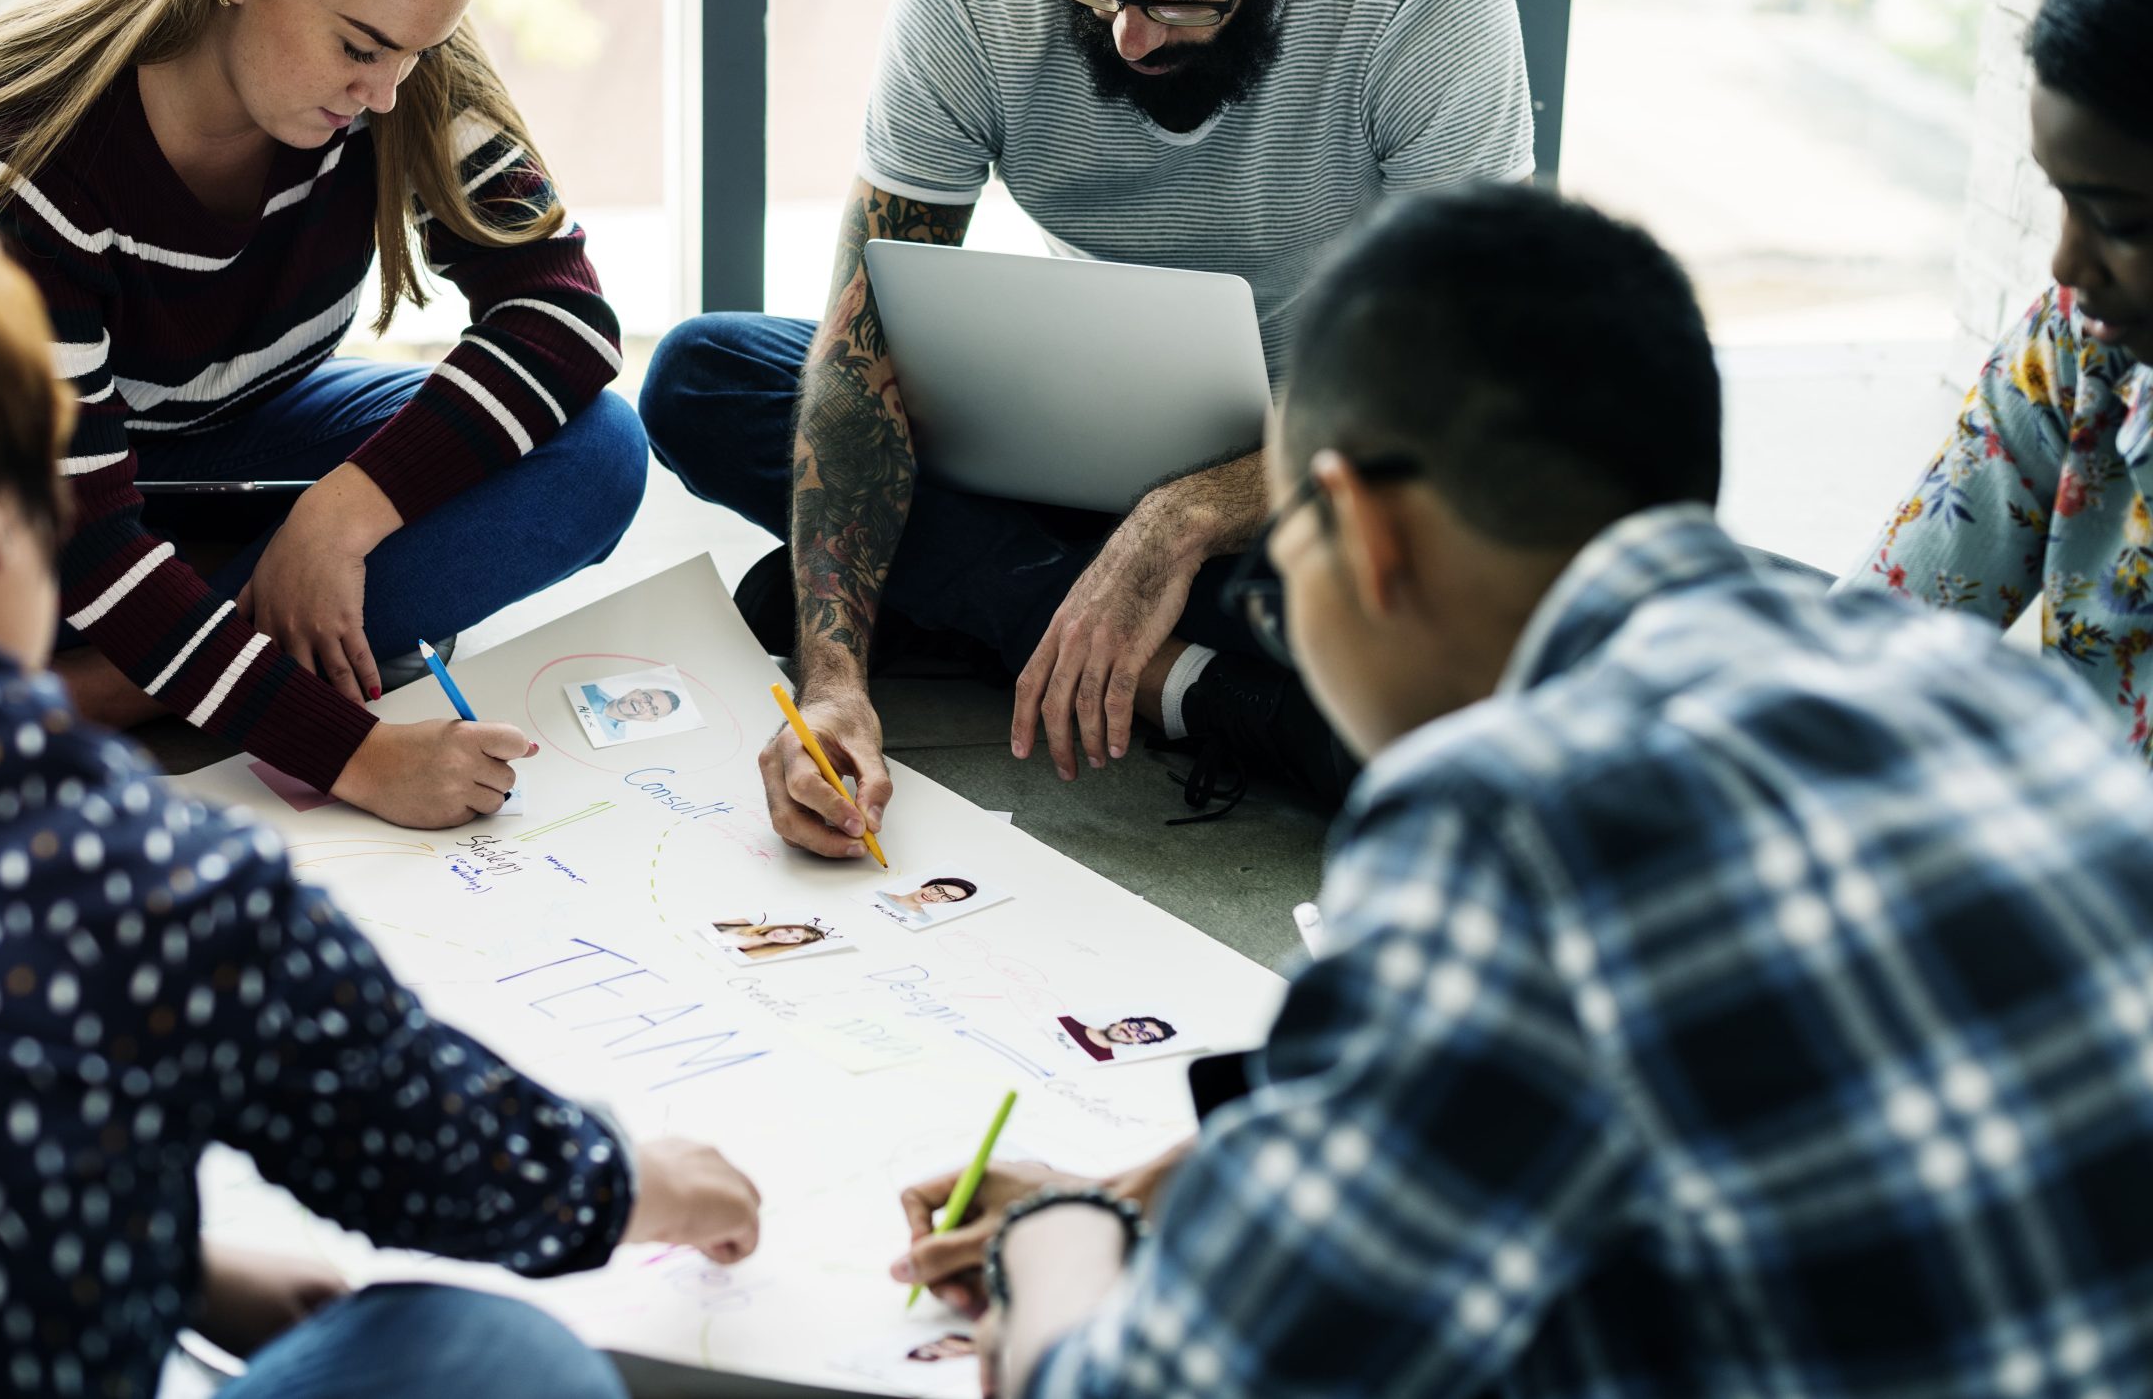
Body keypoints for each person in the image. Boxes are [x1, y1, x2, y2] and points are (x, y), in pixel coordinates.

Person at [887, 183, 2153, 1398]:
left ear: (1359, 530)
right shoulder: (1998, 690)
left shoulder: (1501, 812)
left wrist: (1052, 1229)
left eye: (1275, 583)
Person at [0, 187, 760, 1398]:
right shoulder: (132, 869)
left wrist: (168, 1264)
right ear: (0, 528)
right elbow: (440, 1154)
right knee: (494, 1354)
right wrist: (634, 1175)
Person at [639, 0, 1532, 856]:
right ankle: (1206, 687)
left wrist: (1177, 522)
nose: (1129, 37)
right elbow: (856, 365)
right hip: (1067, 456)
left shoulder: (1424, 3)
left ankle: (996, 606)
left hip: (1316, 479)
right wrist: (832, 677)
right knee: (708, 374)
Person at [0, 0, 644, 831]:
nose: (385, 92)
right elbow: (77, 528)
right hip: (26, 502)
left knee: (597, 450)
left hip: (237, 448)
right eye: (360, 46)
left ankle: (144, 660)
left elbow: (565, 312)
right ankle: (160, 652)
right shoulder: (28, 158)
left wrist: (344, 513)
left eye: (417, 51)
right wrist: (349, 752)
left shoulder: (403, 76)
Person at [1847, 0, 2153, 756]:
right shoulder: (2081, 352)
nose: (2066, 266)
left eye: (2123, 221)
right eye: (2063, 200)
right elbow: (1876, 658)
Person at [1052, 1015, 1175, 1064]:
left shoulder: (1103, 1062)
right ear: (1124, 1021)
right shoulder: (1064, 1020)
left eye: (1144, 1035)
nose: (1132, 1032)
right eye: (1137, 1026)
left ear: (1139, 1042)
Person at [709, 921, 829, 959]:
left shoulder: (760, 955)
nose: (784, 936)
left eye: (795, 938)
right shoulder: (743, 923)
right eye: (788, 931)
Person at [877, 876, 977, 920]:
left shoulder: (923, 919)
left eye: (947, 897)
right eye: (938, 890)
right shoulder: (880, 895)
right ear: (931, 884)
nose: (934, 896)